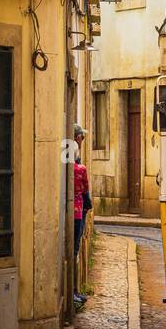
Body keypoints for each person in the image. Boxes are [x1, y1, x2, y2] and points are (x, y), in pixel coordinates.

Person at [73, 125, 92, 307]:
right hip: (78, 212)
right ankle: (73, 292)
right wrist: (88, 204)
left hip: (72, 210)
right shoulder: (79, 168)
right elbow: (85, 189)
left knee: (73, 250)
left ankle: (74, 292)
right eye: (82, 138)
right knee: (75, 249)